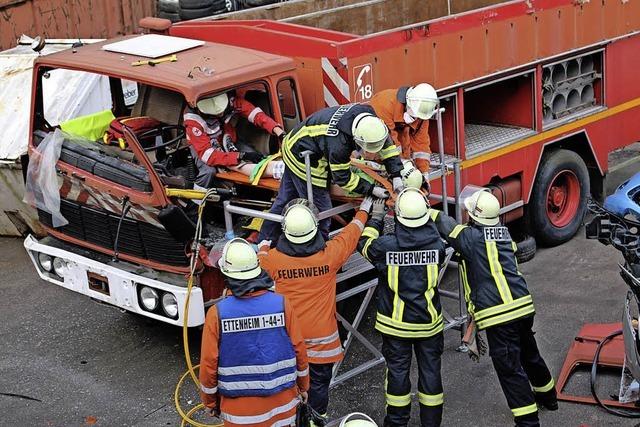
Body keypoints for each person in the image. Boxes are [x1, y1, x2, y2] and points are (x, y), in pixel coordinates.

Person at [433, 189, 557, 427]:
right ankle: (549, 397)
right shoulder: (504, 234)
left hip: (498, 316)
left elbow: (445, 224)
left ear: (474, 216)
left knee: (510, 370)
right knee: (529, 353)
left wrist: (421, 205)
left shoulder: (469, 238)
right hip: (522, 306)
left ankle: (528, 422)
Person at [257, 197, 375, 426]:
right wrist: (364, 211)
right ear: (314, 227)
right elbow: (351, 234)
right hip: (322, 346)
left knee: (288, 389)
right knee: (318, 388)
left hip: (288, 343)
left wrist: (262, 245)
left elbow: (259, 259)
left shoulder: (274, 260)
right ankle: (315, 420)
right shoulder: (329, 256)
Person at [357, 189, 446, 427]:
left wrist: (375, 218)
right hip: (429, 325)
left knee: (397, 375)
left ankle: (397, 422)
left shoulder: (386, 247)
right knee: (431, 375)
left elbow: (364, 244)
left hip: (396, 328)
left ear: (398, 216)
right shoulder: (437, 246)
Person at [199, 238, 310, 426]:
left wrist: (210, 402)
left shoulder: (217, 313)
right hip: (283, 406)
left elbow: (209, 364)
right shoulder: (281, 304)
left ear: (226, 274)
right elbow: (299, 349)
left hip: (240, 414)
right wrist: (303, 386)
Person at [257, 103, 404, 243]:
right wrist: (372, 188)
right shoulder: (338, 143)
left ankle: (264, 240)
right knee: (322, 211)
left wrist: (396, 174)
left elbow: (386, 146)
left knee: (284, 201)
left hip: (296, 143)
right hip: (303, 157)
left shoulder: (370, 121)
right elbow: (342, 178)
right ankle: (321, 253)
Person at [184, 90, 286, 189]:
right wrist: (239, 156)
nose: (220, 115)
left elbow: (255, 114)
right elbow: (209, 156)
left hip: (226, 139)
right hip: (202, 146)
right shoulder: (193, 121)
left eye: (222, 112)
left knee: (255, 156)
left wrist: (278, 131)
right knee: (208, 172)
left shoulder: (230, 101)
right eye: (216, 114)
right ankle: (194, 202)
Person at [369, 83, 439, 191]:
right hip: (375, 150)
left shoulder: (421, 114)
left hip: (396, 156)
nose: (416, 119)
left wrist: (424, 173)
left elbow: (421, 146)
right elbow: (389, 142)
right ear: (407, 103)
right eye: (414, 116)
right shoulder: (383, 105)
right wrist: (400, 169)